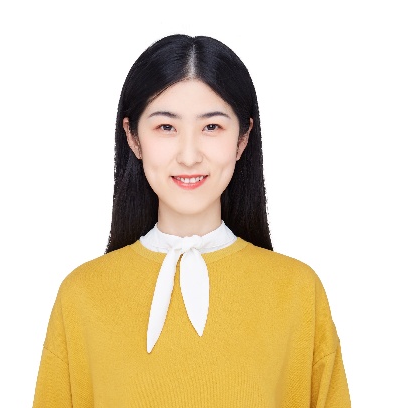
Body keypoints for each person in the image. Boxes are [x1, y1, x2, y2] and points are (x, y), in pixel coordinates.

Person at [33, 34, 351, 407]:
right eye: (166, 127)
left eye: (211, 127)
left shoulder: (297, 292)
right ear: (133, 138)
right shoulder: (82, 296)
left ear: (242, 138)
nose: (188, 156)